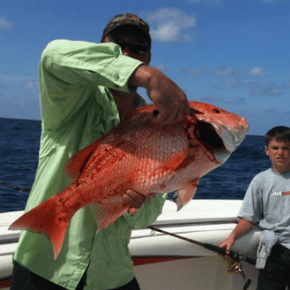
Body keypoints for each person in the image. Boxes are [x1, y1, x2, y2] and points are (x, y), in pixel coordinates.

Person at [11, 13, 190, 290]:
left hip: (112, 275)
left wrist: (135, 205)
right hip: (45, 270)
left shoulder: (159, 125)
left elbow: (144, 218)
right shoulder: (72, 100)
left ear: (148, 55)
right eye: (117, 46)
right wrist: (148, 77)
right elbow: (52, 55)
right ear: (101, 49)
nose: (127, 53)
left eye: (138, 48)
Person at [220, 126, 290, 290]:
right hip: (274, 251)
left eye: (286, 148)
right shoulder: (260, 181)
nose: (280, 152)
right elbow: (249, 218)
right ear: (267, 150)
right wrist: (232, 238)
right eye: (275, 148)